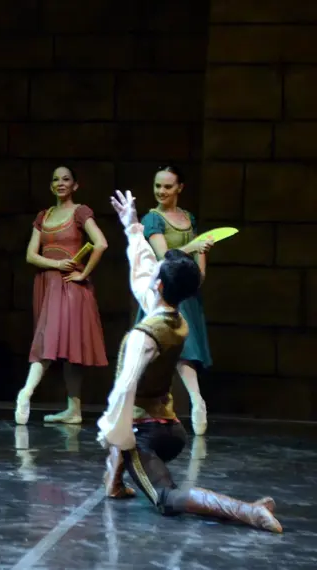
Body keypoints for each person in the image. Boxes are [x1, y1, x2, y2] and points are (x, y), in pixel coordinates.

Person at [97, 190, 281, 534]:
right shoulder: (176, 319)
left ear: (160, 285)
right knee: (123, 438)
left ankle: (248, 511)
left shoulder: (145, 334)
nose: (152, 271)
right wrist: (132, 226)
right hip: (171, 429)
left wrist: (112, 434)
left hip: (146, 432)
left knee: (165, 497)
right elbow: (144, 271)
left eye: (158, 272)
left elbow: (124, 390)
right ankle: (115, 482)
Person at [14, 166, 109, 425]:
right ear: (51, 185)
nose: (60, 183)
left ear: (75, 185)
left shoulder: (80, 212)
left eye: (66, 179)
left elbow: (101, 243)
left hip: (70, 287)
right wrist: (56, 264)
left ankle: (26, 393)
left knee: (60, 342)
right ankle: (73, 410)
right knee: (54, 340)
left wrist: (83, 273)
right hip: (48, 283)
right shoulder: (43, 216)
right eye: (56, 179)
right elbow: (31, 255)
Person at [137, 166, 212, 435]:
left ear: (180, 188)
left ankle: (196, 401)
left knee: (185, 350)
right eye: (158, 186)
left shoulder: (188, 217)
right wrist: (193, 247)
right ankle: (146, 408)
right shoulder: (152, 219)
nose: (161, 191)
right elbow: (164, 255)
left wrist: (199, 272)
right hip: (163, 292)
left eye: (167, 186)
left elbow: (200, 250)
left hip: (185, 293)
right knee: (153, 351)